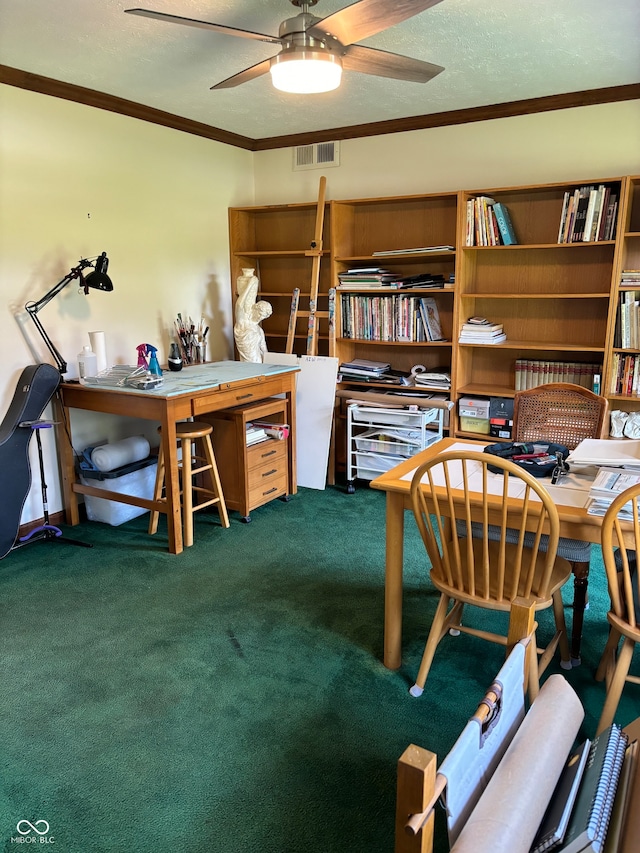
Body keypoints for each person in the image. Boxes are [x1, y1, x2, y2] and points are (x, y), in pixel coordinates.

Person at [233, 269, 272, 363]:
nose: (260, 318)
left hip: (259, 364)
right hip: (247, 366)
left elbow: (265, 352)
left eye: (264, 317)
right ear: (255, 308)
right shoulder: (243, 323)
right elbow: (239, 305)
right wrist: (249, 285)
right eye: (260, 314)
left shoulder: (259, 330)